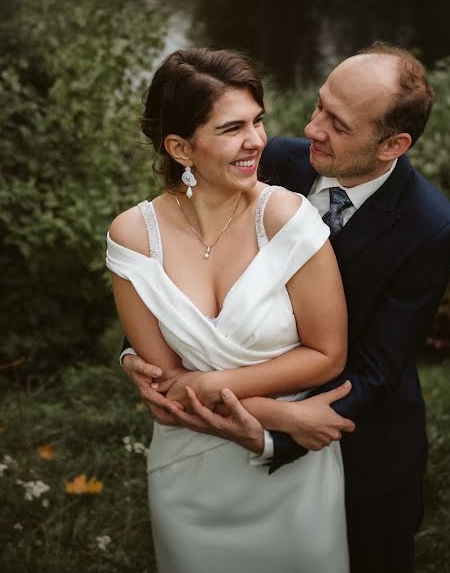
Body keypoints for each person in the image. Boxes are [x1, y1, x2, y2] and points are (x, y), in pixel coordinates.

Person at [123, 42, 450, 573]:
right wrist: (141, 353)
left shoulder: (430, 227)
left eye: (338, 123)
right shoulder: (273, 161)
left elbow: (374, 365)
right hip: (218, 451)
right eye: (319, 106)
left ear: (392, 144)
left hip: (359, 435)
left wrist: (279, 428)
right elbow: (185, 276)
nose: (312, 129)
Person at [106, 48, 351, 572]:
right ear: (180, 147)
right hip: (190, 475)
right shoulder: (134, 237)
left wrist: (216, 385)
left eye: (258, 121)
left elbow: (327, 356)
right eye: (232, 128)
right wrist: (282, 413)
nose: (257, 141)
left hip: (294, 482)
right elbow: (167, 394)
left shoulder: (287, 218)